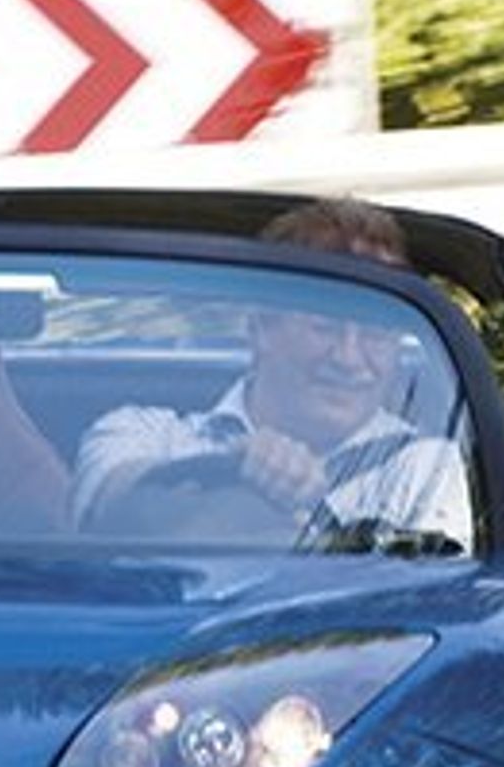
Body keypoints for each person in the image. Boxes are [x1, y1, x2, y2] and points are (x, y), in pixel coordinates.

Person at [70, 198, 472, 543]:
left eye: (375, 335)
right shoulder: (142, 433)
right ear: (261, 327)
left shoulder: (427, 466)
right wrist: (228, 470)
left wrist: (309, 522)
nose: (349, 358)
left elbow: (423, 604)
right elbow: (109, 499)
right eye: (325, 326)